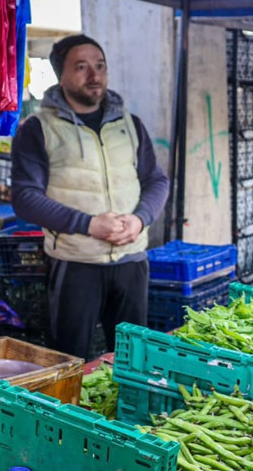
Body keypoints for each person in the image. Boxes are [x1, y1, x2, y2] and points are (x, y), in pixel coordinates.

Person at [11, 35, 170, 360]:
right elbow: (25, 197)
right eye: (81, 67)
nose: (94, 75)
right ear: (61, 74)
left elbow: (156, 180)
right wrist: (88, 224)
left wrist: (140, 219)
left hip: (131, 259)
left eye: (100, 66)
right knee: (71, 359)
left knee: (133, 358)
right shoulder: (39, 128)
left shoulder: (129, 124)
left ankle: (127, 412)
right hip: (75, 262)